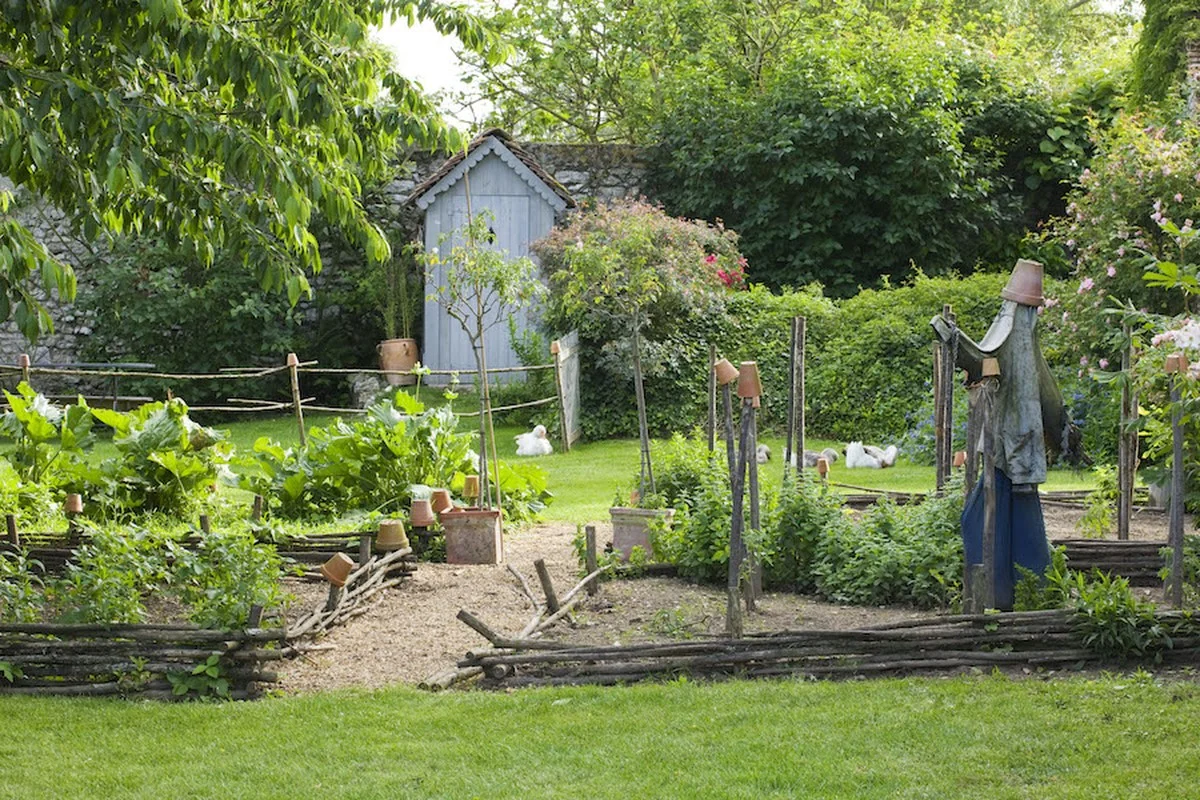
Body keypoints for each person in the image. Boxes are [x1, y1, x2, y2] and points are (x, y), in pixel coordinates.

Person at [931, 259, 1078, 609]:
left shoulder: (1013, 326)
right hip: (1012, 445)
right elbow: (986, 358)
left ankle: (1004, 593)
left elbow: (980, 357)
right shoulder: (1016, 327)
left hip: (1008, 446)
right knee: (1004, 520)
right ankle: (1019, 591)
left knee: (987, 520)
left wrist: (949, 333)